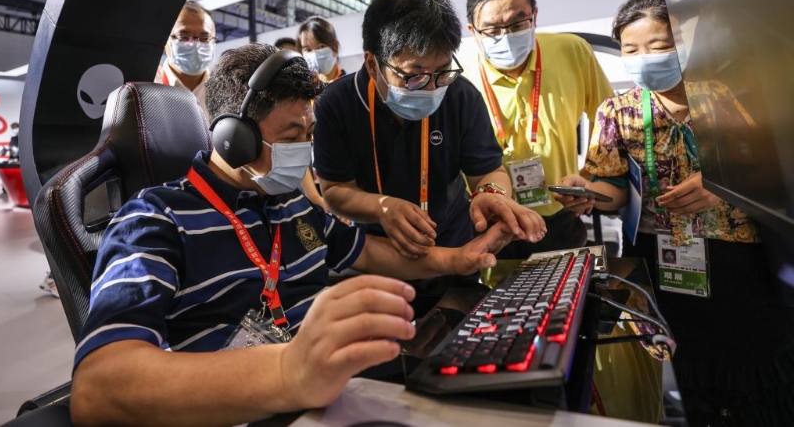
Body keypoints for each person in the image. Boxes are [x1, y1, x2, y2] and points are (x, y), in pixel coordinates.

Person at [70, 43, 514, 426]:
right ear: (233, 139)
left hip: (331, 395)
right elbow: (99, 387)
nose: (304, 149)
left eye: (309, 134)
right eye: (290, 136)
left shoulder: (292, 204)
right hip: (251, 409)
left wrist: (459, 259)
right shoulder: (155, 220)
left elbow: (367, 252)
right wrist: (289, 372)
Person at [555, 0, 794, 426]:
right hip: (663, 265)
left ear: (685, 43)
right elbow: (616, 188)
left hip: (744, 263)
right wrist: (587, 190)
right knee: (691, 372)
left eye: (659, 46)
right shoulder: (618, 112)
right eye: (631, 50)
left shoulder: (738, 97)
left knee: (760, 378)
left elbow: (779, 166)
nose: (644, 58)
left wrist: (724, 182)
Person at [313, 0, 545, 301]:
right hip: (378, 253)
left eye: (443, 71)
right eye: (415, 75)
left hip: (455, 247)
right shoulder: (336, 104)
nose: (432, 87)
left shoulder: (461, 96)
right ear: (372, 65)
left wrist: (492, 193)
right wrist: (381, 208)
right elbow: (336, 191)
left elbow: (488, 171)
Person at [461, 0, 614, 258]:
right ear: (473, 31)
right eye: (492, 30)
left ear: (534, 16)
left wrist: (588, 176)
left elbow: (608, 119)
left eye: (517, 24)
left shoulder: (571, 50)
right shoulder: (460, 74)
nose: (506, 36)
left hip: (559, 214)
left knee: (566, 282)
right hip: (490, 219)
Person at [154, 0, 217, 118]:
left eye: (204, 38)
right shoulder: (148, 84)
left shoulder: (225, 89)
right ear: (165, 41)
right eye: (183, 37)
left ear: (214, 41)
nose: (194, 44)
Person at [297, 16, 345, 84]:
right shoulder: (305, 86)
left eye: (321, 47)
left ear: (335, 47)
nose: (314, 55)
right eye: (308, 50)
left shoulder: (348, 86)